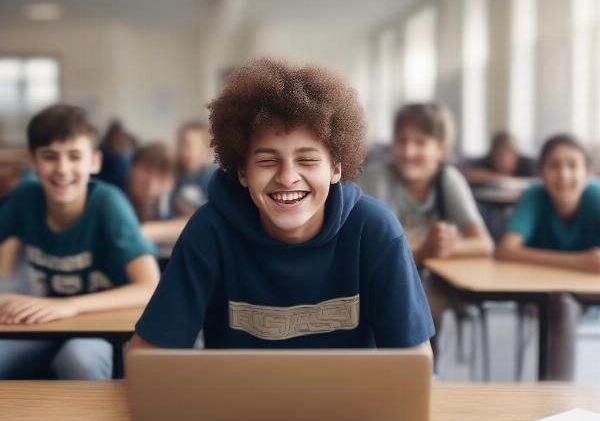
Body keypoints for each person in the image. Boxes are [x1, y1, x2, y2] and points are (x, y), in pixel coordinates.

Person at [129, 58, 434, 352]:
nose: (288, 177)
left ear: (335, 169)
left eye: (307, 160)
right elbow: (148, 356)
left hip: (350, 407)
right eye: (267, 160)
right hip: (236, 405)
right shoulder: (209, 232)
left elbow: (414, 362)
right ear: (243, 172)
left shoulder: (375, 230)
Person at [0, 104, 160, 379]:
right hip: (46, 322)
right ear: (34, 162)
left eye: (74, 156)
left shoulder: (108, 204)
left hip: (101, 328)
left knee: (78, 360)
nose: (62, 169)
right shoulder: (25, 199)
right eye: (50, 157)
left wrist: (68, 305)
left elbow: (150, 286)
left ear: (94, 162)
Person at [359, 103, 493, 355]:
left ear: (441, 149)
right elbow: (372, 253)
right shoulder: (376, 178)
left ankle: (427, 371)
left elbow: (484, 245)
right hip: (378, 281)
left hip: (430, 282)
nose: (409, 151)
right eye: (402, 141)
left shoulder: (448, 179)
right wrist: (427, 249)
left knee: (427, 297)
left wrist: (445, 246)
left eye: (420, 142)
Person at [496, 134, 600, 381]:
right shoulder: (535, 196)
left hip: (590, 293)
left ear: (588, 172)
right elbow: (506, 249)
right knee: (562, 305)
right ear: (541, 172)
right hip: (544, 295)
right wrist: (581, 262)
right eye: (554, 166)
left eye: (572, 165)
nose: (563, 175)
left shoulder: (595, 196)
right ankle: (556, 396)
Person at [171, 121, 218, 217]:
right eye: (180, 144)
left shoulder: (212, 175)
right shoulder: (180, 175)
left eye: (188, 145)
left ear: (207, 149)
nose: (183, 151)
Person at [461, 131, 536, 185]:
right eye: (499, 154)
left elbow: (536, 182)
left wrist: (511, 181)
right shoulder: (486, 162)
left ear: (516, 154)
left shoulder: (528, 164)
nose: (504, 159)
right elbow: (466, 173)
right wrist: (499, 178)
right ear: (492, 155)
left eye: (509, 153)